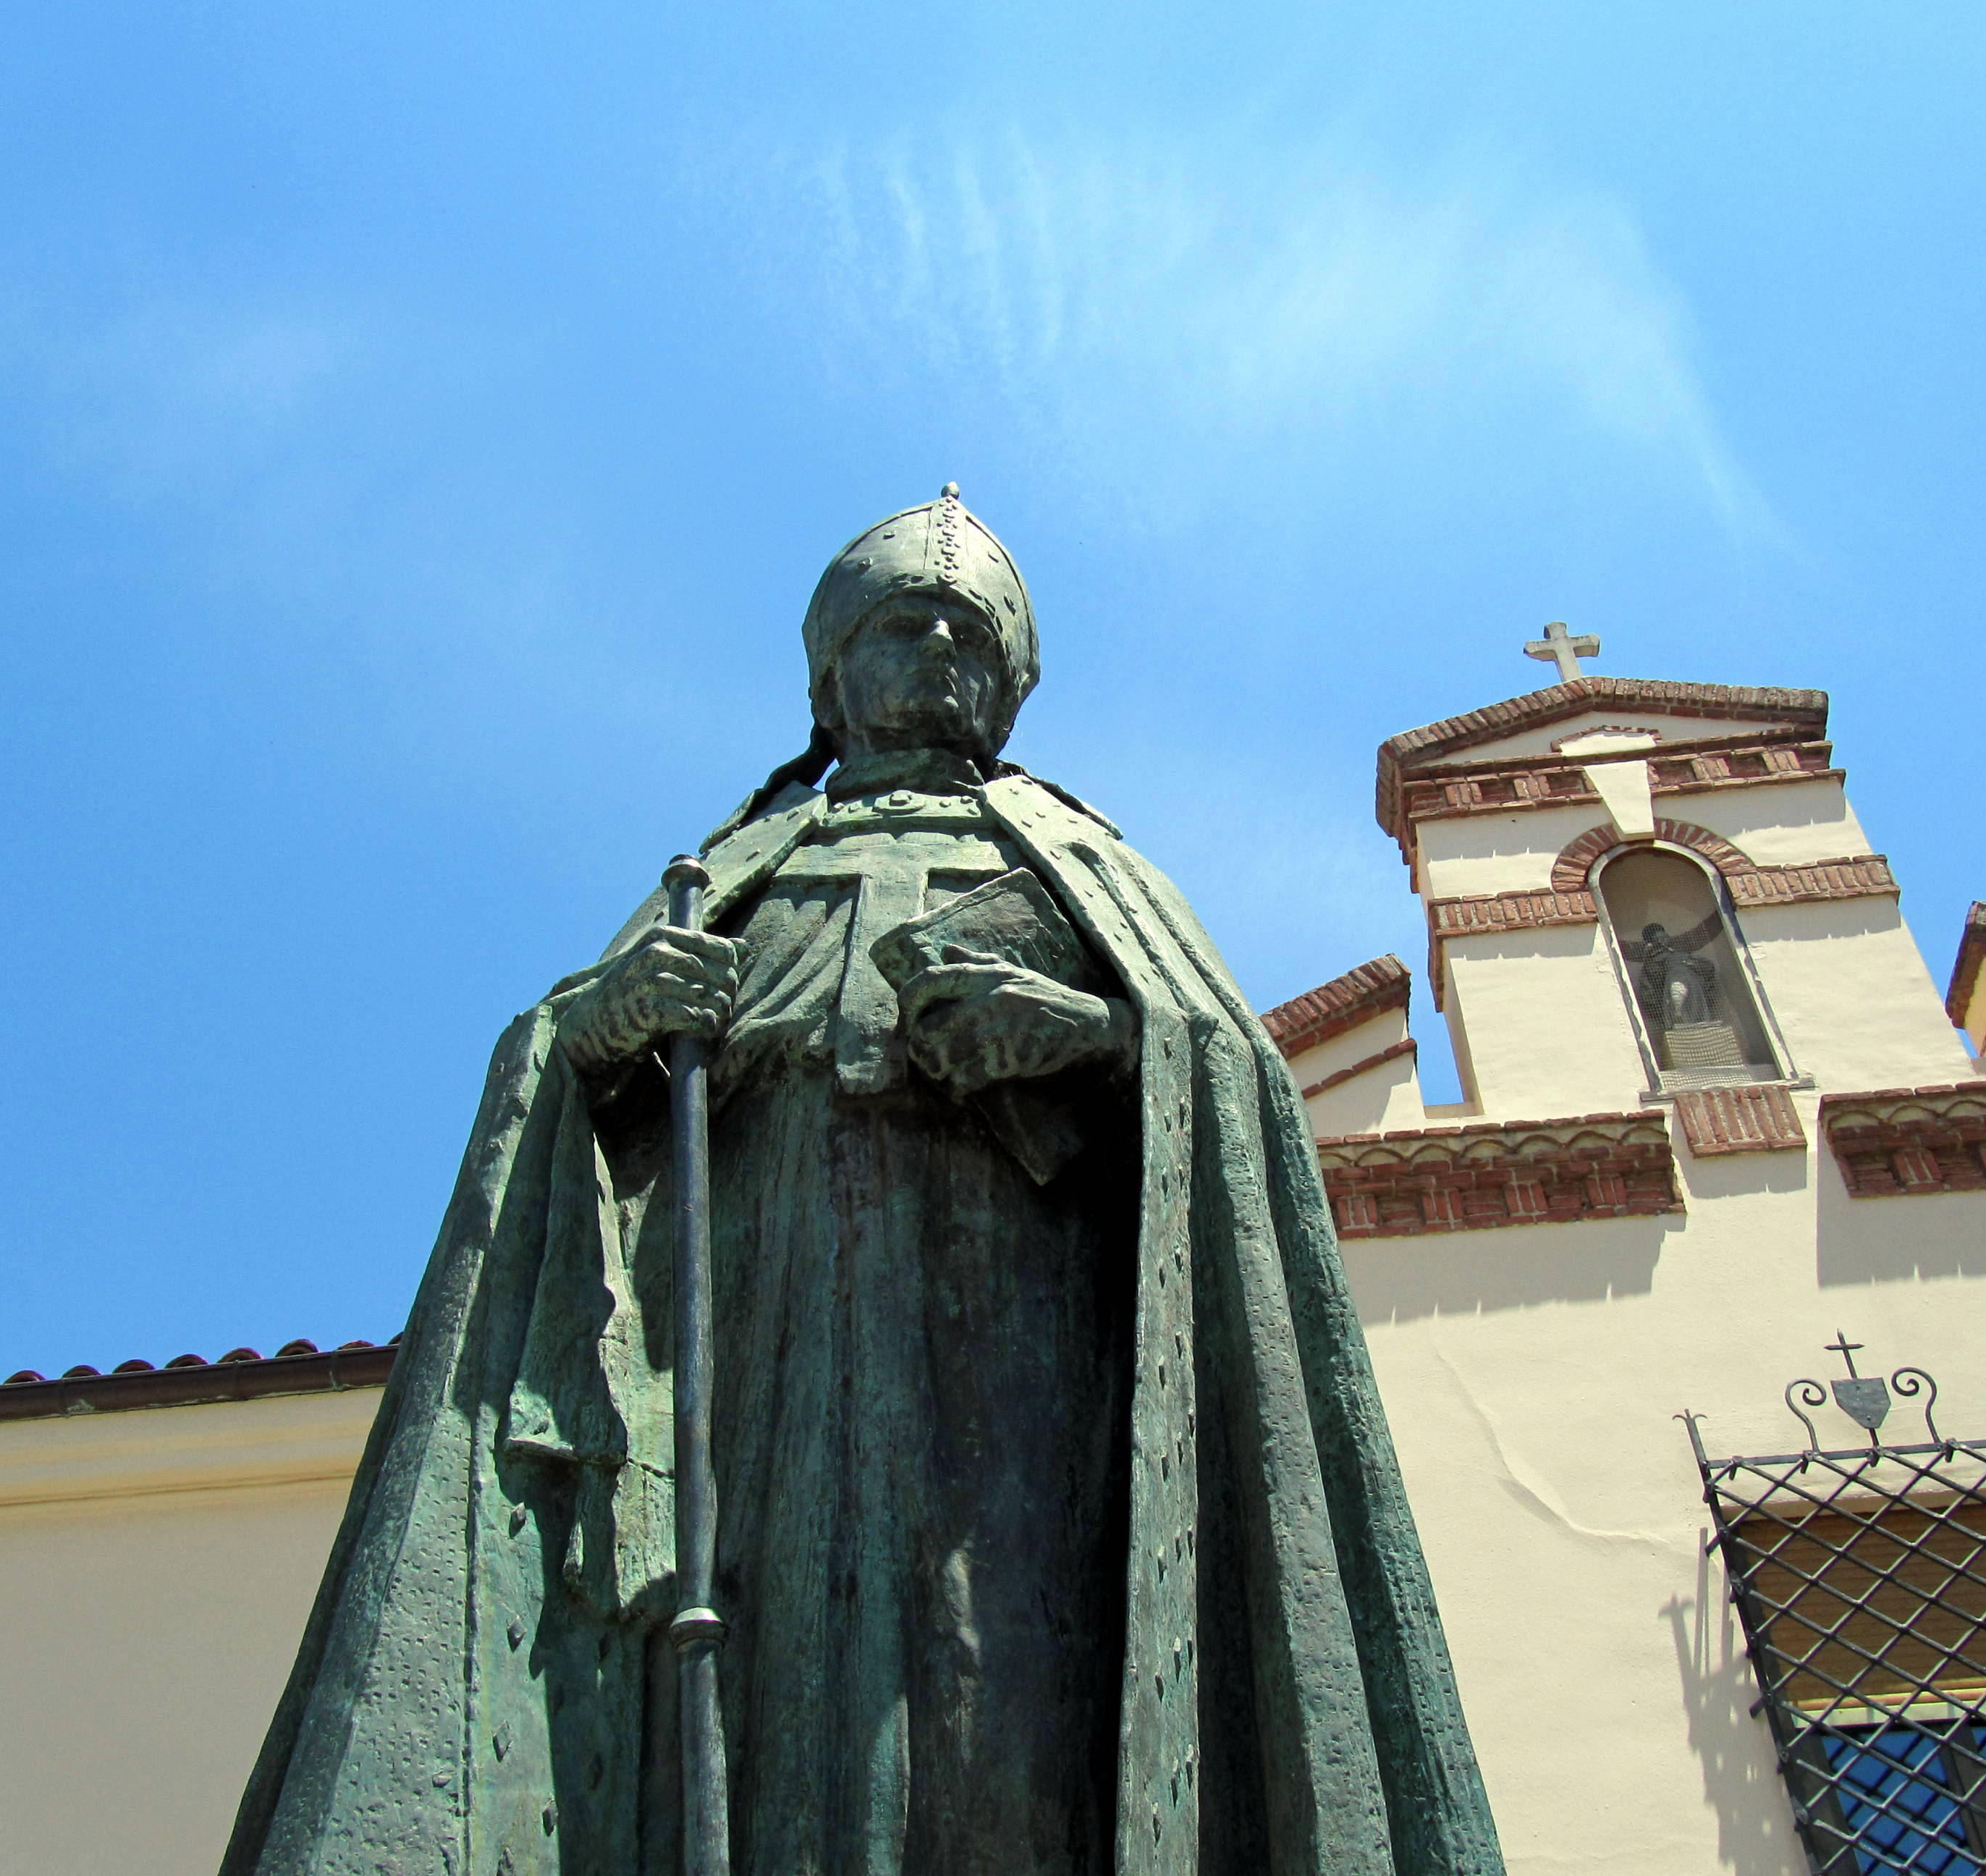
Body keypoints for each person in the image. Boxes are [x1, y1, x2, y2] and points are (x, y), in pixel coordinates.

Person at [223, 489, 1504, 1876]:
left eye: (973, 637)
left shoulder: (1084, 861)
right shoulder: (730, 864)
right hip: (747, 1308)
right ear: (828, 679)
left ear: (1010, 693)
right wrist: (607, 1017)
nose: (941, 652)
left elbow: (1227, 1076)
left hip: (1016, 1333)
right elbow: (561, 1064)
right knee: (741, 1662)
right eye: (906, 625)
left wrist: (1084, 1033)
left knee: (991, 1686)